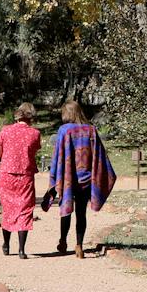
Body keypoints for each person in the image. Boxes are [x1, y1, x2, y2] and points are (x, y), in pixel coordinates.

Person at [48, 100, 116, 258]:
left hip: (68, 179)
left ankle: (63, 240)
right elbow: (99, 155)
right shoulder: (91, 130)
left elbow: (58, 155)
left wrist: (54, 177)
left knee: (65, 210)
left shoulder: (64, 130)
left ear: (67, 113)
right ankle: (79, 245)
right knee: (81, 213)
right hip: (86, 179)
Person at [0, 102, 41, 258]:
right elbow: (33, 151)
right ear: (31, 116)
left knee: (8, 210)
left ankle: (6, 245)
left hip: (7, 175)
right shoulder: (35, 133)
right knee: (24, 211)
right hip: (25, 176)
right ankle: (21, 250)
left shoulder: (5, 131)